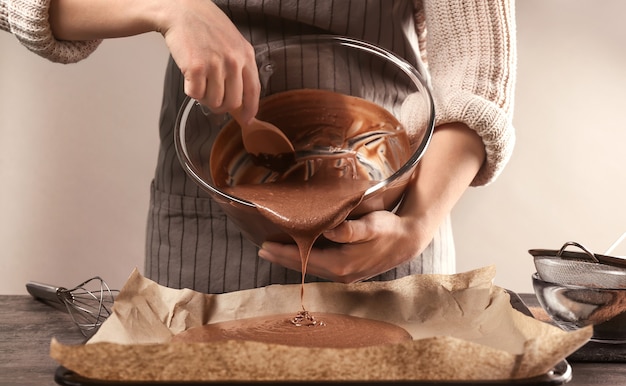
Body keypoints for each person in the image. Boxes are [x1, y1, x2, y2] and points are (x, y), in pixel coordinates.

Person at [1, 0, 516, 293]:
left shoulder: (404, 223)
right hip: (205, 226)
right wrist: (168, 6)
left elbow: (478, 70)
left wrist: (416, 224)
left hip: (388, 217)